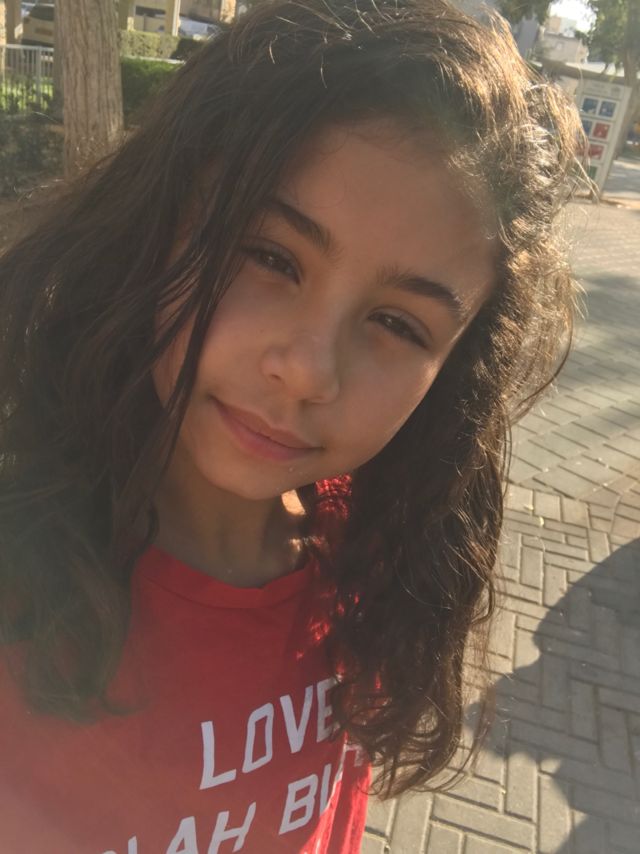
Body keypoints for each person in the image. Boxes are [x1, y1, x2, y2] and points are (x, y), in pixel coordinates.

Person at [0, 0, 582, 851]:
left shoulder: (370, 550)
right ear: (157, 220)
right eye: (271, 257)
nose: (309, 371)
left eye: (398, 324)